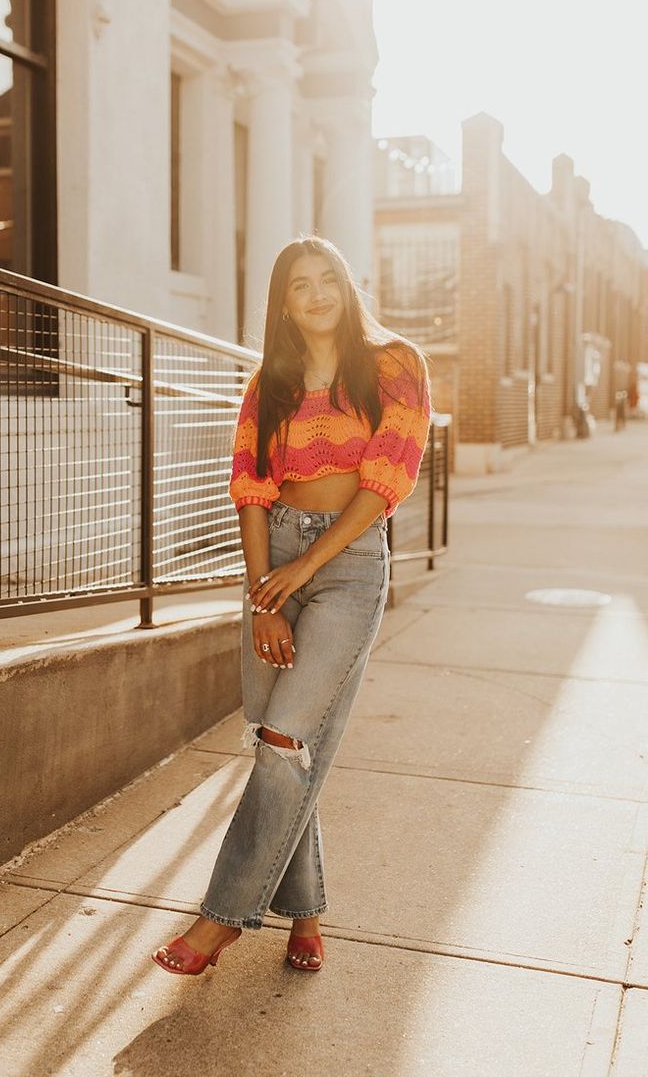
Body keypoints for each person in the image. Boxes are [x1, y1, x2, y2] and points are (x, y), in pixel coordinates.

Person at [152, 235, 431, 975]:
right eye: (299, 284)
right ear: (282, 301)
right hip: (273, 561)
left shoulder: (394, 364)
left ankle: (219, 922)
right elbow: (249, 487)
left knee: (284, 741)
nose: (316, 293)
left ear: (347, 284)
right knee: (284, 744)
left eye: (327, 278)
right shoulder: (267, 382)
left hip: (347, 565)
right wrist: (264, 595)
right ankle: (304, 916)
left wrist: (310, 561)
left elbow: (385, 481)